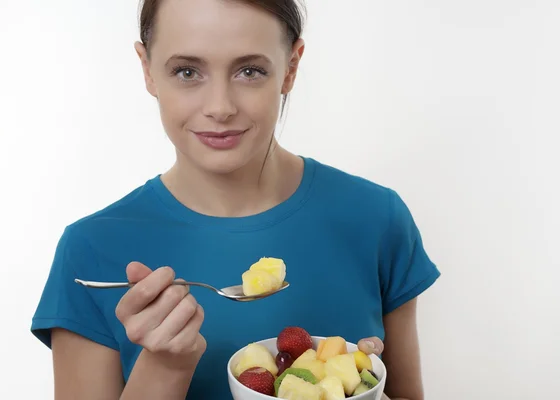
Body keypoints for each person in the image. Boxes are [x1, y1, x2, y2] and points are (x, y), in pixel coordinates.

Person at [30, 0, 440, 398]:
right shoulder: (89, 250)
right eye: (187, 71)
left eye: (249, 71)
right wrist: (166, 365)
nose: (220, 107)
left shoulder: (376, 218)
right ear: (148, 70)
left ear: (290, 68)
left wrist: (365, 388)